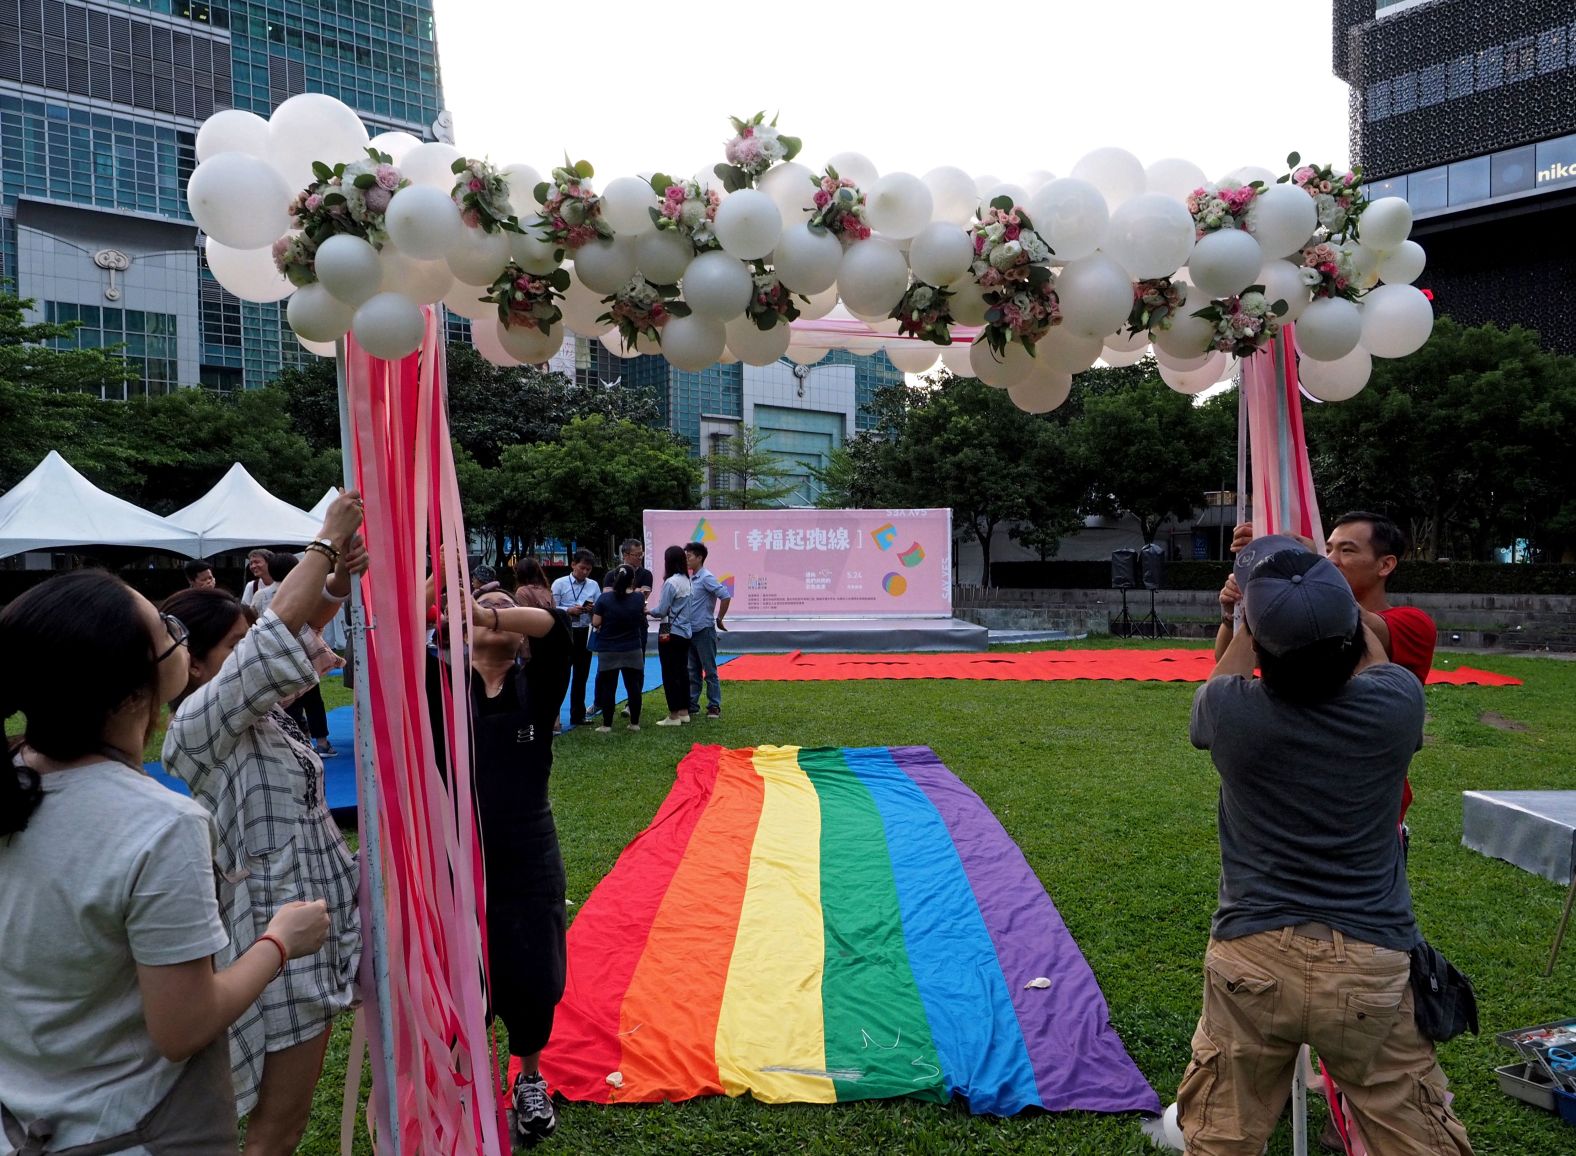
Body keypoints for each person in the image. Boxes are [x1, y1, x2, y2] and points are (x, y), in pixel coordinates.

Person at [0, 570, 330, 1153]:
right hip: (131, 1130)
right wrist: (281, 941)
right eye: (165, 627)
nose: (176, 634)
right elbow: (184, 1028)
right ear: (130, 688)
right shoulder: (162, 825)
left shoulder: (16, 786)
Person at [1176, 536, 1472, 1156]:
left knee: (1222, 1136)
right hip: (1370, 963)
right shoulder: (1396, 704)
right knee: (1418, 1140)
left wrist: (1245, 616)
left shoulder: (1230, 714)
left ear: (1260, 643)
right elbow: (1370, 650)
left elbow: (1218, 683)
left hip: (1250, 957)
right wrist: (1313, 593)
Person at [161, 494, 368, 1156]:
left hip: (310, 935)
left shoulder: (252, 712)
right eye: (233, 643)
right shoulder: (198, 728)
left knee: (285, 1123)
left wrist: (333, 585)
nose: (249, 647)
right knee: (274, 1134)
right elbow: (275, 642)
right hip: (273, 947)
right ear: (191, 664)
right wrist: (327, 538)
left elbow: (297, 641)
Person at [424, 583, 569, 1150]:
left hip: (528, 850)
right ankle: (468, 1082)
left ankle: (529, 1078)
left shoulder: (538, 688)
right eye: (483, 608)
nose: (498, 615)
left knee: (534, 974)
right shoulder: (441, 691)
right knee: (463, 973)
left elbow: (557, 633)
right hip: (456, 856)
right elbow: (396, 641)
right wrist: (435, 598)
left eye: (511, 609)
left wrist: (484, 610)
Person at [1219, 513, 1434, 682]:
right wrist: (1236, 614)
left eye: (1347, 551)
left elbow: (1352, 616)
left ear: (1385, 565)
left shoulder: (1414, 622)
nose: (1330, 561)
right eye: (1328, 550)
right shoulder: (1305, 614)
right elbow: (1228, 663)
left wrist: (1302, 564)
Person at [590, 565, 647, 732]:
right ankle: (634, 723)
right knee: (633, 687)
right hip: (632, 647)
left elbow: (596, 622)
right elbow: (641, 615)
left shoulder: (604, 599)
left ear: (614, 579)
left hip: (608, 648)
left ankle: (607, 724)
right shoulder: (638, 598)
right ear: (632, 580)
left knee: (609, 687)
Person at [550, 550, 600, 728]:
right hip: (564, 632)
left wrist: (592, 609)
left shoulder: (593, 585)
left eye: (588, 569)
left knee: (581, 675)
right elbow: (553, 609)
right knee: (561, 675)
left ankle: (578, 715)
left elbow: (599, 608)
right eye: (582, 568)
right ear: (573, 565)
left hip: (583, 632)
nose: (585, 572)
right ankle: (553, 717)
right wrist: (568, 610)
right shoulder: (559, 584)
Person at [682, 541, 730, 720]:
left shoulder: (706, 577)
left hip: (704, 630)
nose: (686, 560)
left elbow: (725, 595)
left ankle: (714, 705)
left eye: (689, 557)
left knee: (709, 670)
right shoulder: (691, 578)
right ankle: (692, 704)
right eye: (685, 557)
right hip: (690, 631)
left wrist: (719, 619)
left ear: (700, 558)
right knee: (692, 670)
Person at [648, 546, 693, 726]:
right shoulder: (687, 581)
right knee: (682, 672)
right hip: (685, 632)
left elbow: (661, 610)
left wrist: (647, 611)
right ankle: (684, 711)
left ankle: (673, 715)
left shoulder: (671, 583)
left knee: (669, 673)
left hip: (670, 631)